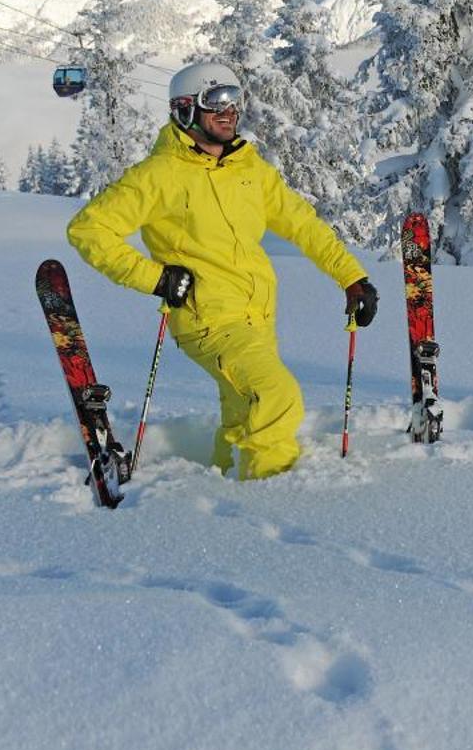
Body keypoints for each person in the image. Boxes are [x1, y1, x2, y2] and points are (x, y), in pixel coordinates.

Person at [67, 61, 379, 480]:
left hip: (258, 317)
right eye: (215, 102)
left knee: (244, 412)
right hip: (208, 319)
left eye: (235, 100)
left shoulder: (250, 171)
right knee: (276, 394)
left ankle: (226, 489)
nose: (229, 111)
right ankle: (274, 491)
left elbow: (304, 226)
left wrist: (351, 276)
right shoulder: (159, 175)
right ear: (185, 110)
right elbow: (89, 230)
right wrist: (155, 279)